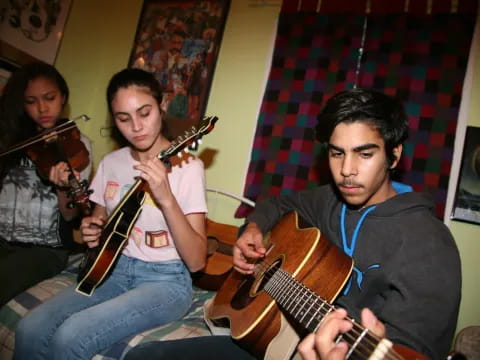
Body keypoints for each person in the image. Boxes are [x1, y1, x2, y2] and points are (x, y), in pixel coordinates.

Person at [124, 88, 461, 360]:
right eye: (336, 153)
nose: (347, 170)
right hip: (279, 335)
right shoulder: (330, 199)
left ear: (395, 155)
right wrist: (253, 228)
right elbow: (277, 203)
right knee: (146, 355)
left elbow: (413, 349)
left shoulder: (428, 244)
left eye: (365, 154)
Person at [13, 67, 208, 360]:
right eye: (123, 118)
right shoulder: (111, 162)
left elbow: (196, 261)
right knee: (29, 328)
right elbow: (96, 223)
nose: (137, 127)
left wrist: (166, 198)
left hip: (164, 281)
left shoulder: (188, 167)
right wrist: (93, 229)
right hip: (111, 269)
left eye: (145, 113)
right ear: (114, 120)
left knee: (70, 337)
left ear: (162, 106)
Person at [0, 62, 92, 306]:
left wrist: (63, 187)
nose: (42, 108)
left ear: (63, 97)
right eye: (31, 101)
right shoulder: (11, 138)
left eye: (49, 98)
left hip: (43, 249)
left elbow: (71, 213)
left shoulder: (77, 146)